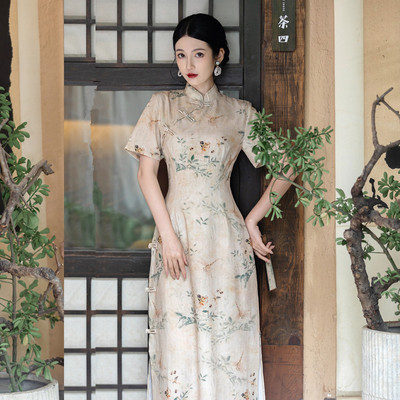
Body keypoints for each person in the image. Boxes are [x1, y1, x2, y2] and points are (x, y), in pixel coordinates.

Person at [125, 13, 293, 400]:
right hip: (176, 237)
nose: (188, 64)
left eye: (198, 54)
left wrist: (252, 220)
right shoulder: (161, 107)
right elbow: (146, 175)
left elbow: (288, 167)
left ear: (218, 56)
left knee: (229, 340)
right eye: (180, 55)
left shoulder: (240, 113)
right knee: (177, 339)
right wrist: (168, 238)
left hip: (225, 240)